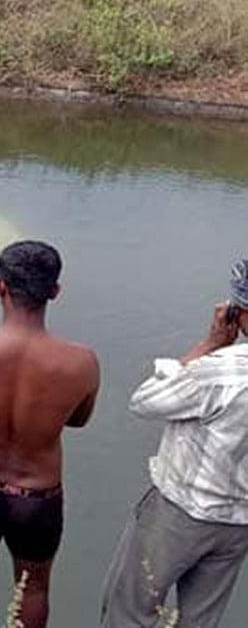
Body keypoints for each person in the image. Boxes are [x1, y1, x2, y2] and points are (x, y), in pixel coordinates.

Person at [0, 240, 100, 628]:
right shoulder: (82, 362)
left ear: (0, 286)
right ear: (55, 292)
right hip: (38, 496)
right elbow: (78, 420)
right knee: (34, 589)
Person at [101, 260, 248, 628]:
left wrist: (209, 343)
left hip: (182, 510)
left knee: (130, 611)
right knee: (200, 621)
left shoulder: (221, 370)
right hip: (238, 524)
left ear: (240, 312)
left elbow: (145, 400)